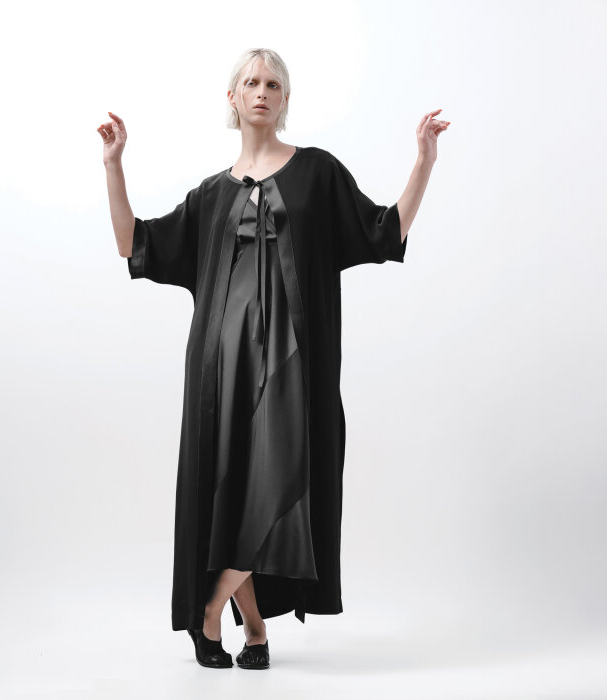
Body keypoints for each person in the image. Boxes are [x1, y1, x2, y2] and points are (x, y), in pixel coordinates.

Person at [99, 48, 448, 670]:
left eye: (274, 84)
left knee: (283, 476)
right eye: (251, 82)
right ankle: (256, 629)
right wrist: (113, 166)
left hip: (292, 363)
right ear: (233, 97)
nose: (262, 92)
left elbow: (383, 231)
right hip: (221, 366)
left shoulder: (317, 172)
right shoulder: (211, 194)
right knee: (231, 486)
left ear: (284, 99)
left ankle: (211, 610)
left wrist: (423, 161)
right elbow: (135, 244)